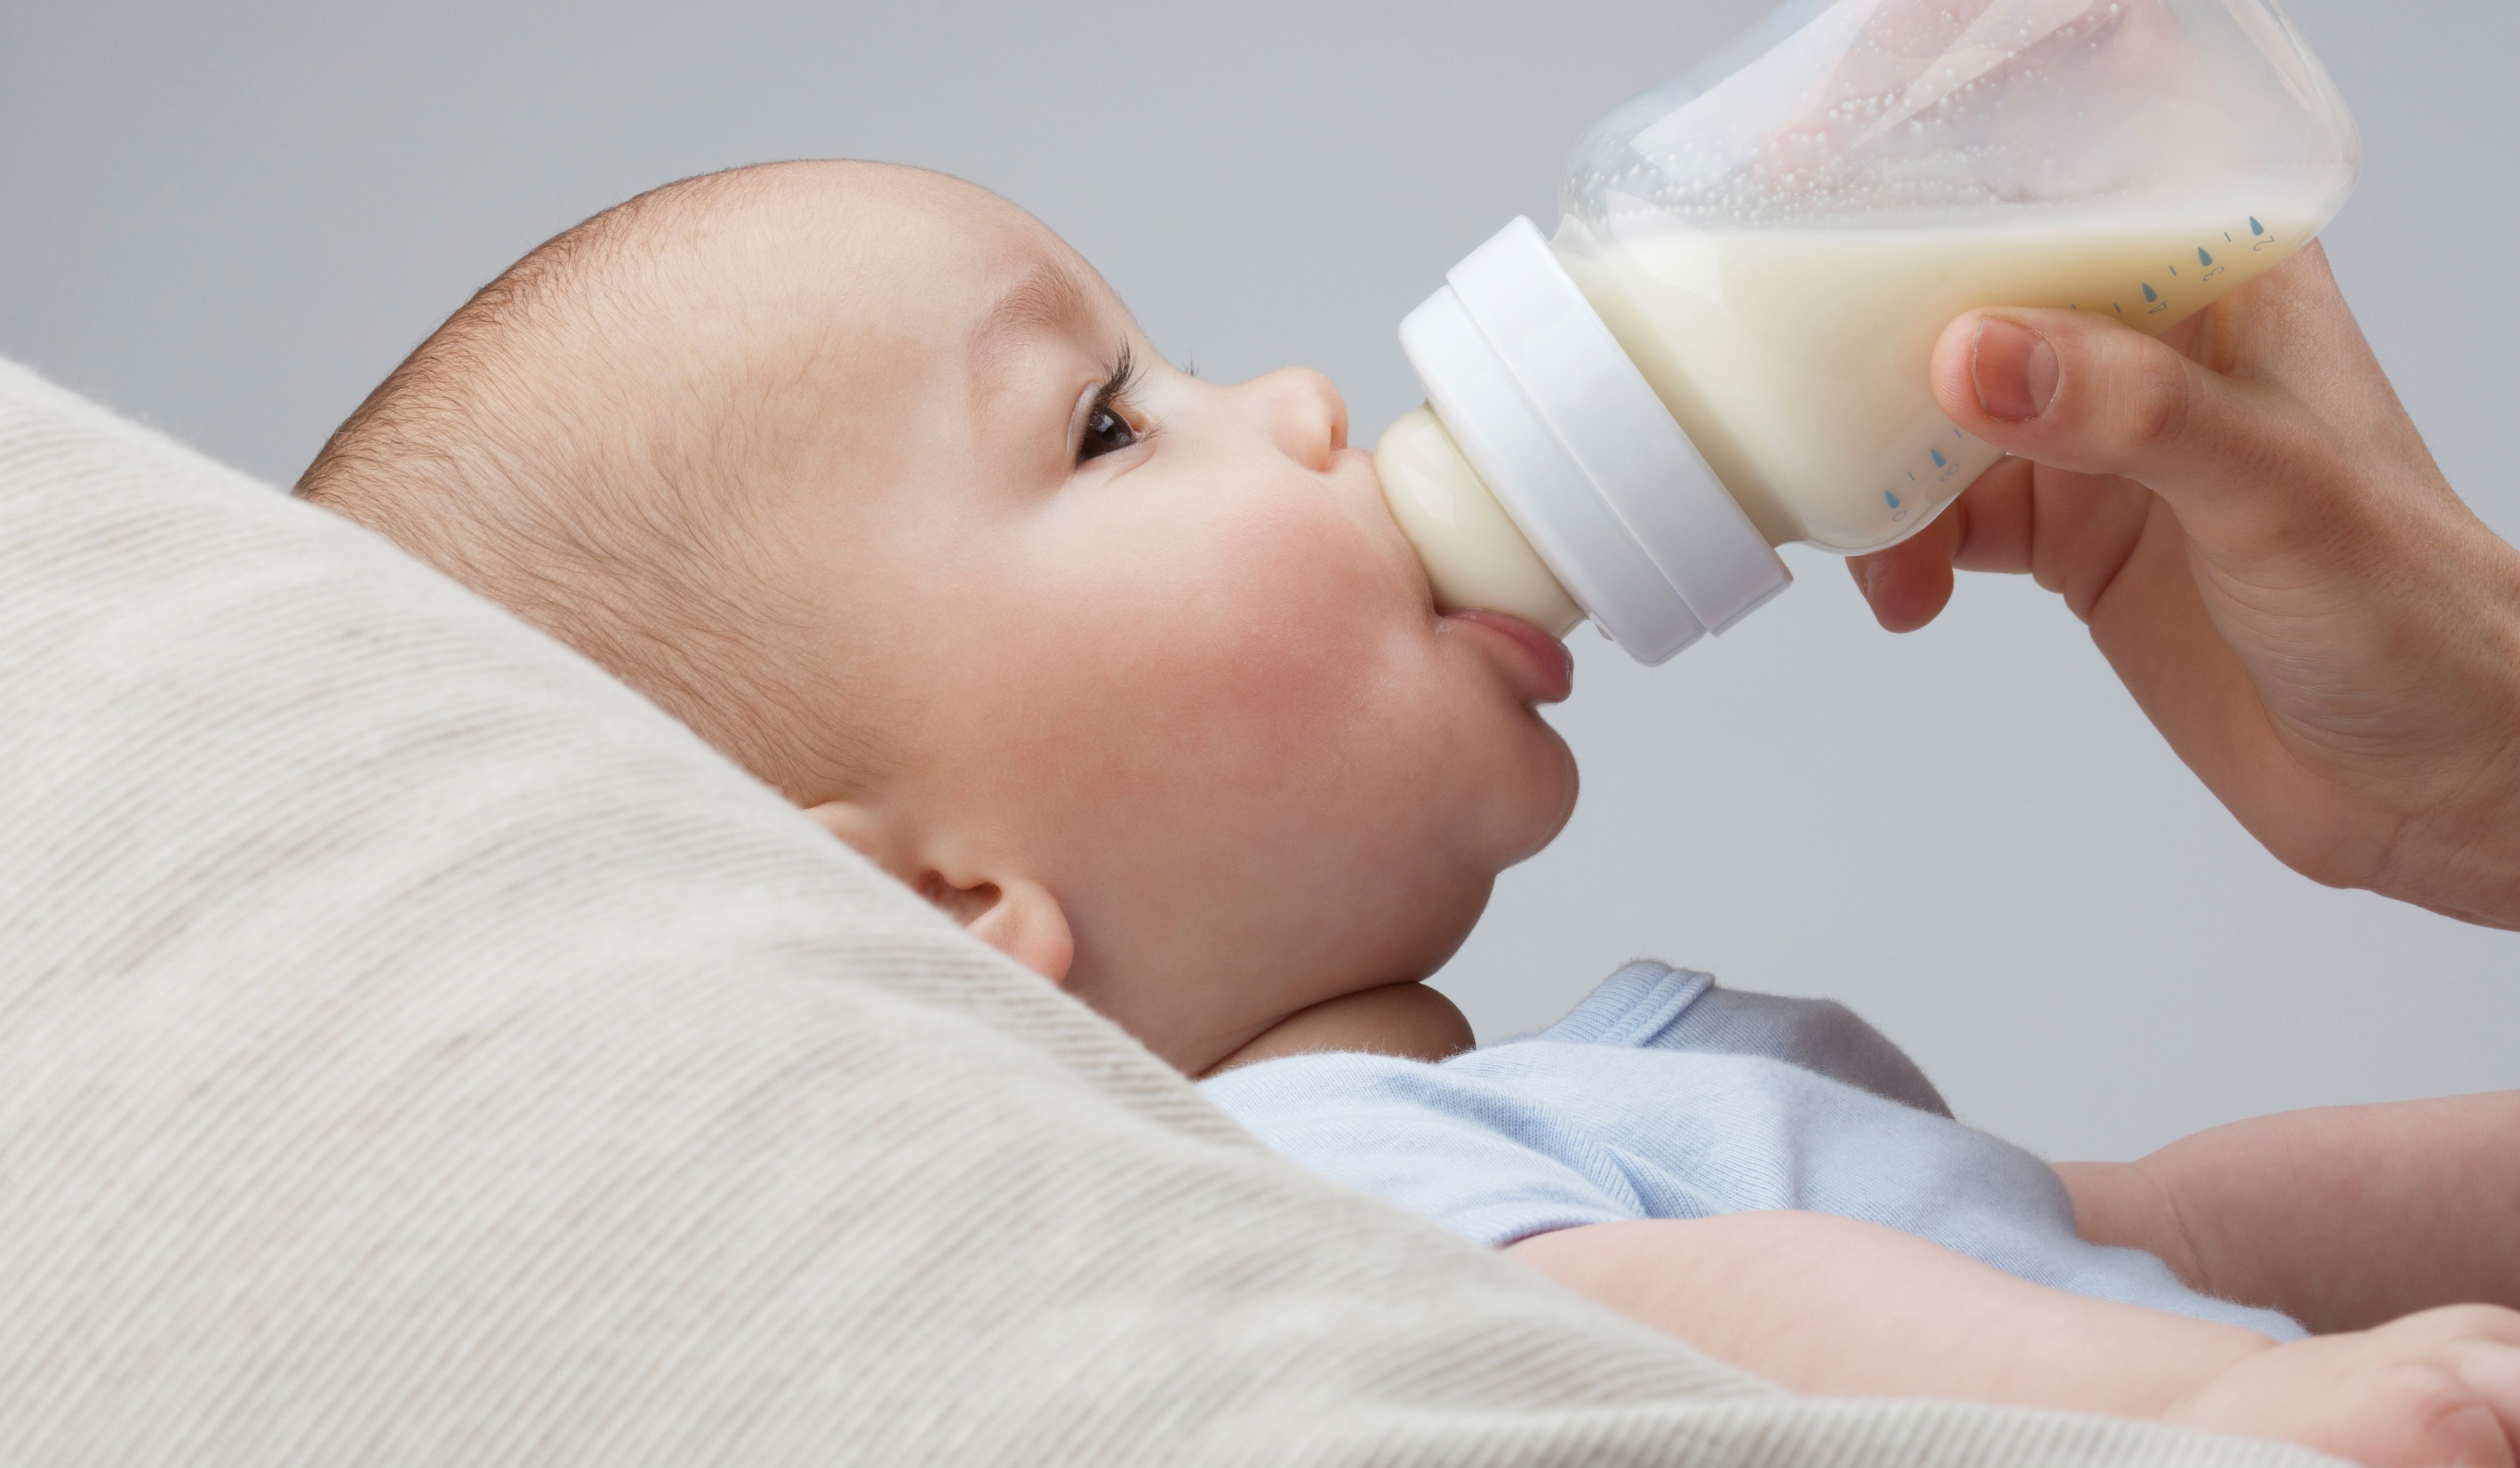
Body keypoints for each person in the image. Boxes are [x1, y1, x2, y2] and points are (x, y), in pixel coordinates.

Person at [296, 160, 2520, 1467]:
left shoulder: (1570, 1117)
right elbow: (1716, 1328)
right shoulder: (1282, 1216)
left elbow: (2169, 1236)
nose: (1293, 401)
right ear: (952, 906)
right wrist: (2215, 1422)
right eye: (1103, 426)